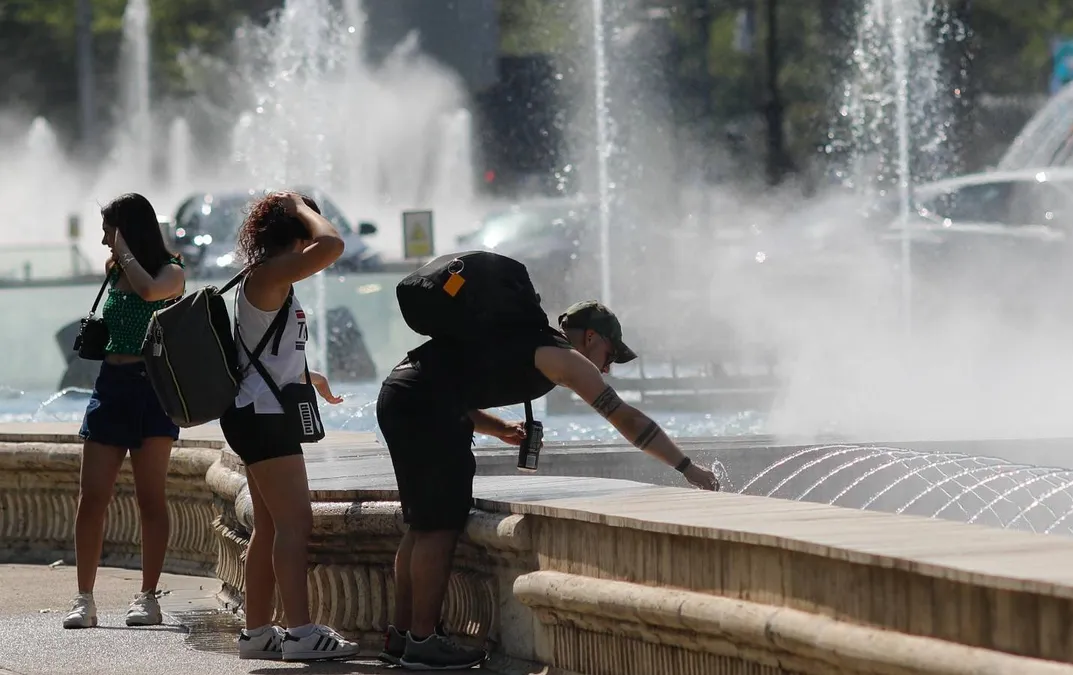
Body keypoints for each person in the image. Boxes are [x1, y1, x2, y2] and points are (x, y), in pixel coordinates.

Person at [375, 299, 720, 670]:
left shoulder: (530, 339)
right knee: (438, 527)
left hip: (401, 393)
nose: (606, 367)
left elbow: (443, 382)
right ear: (591, 337)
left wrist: (498, 428)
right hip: (425, 407)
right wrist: (686, 467)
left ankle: (402, 636)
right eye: (610, 354)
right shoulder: (566, 358)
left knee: (422, 524)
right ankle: (424, 642)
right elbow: (626, 419)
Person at [218, 191, 358, 662]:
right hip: (262, 417)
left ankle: (257, 632)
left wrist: (306, 375)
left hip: (257, 410)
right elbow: (334, 245)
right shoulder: (270, 271)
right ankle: (300, 632)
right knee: (296, 524)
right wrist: (301, 207)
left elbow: (262, 350)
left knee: (272, 527)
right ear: (296, 233)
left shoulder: (265, 275)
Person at [65, 193, 187, 629]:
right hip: (111, 387)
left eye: (108, 230)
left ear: (128, 230)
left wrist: (126, 254)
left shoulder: (171, 270)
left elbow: (151, 291)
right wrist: (121, 257)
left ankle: (148, 596)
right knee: (92, 496)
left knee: (150, 497)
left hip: (153, 389)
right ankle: (84, 598)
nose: (103, 240)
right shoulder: (115, 269)